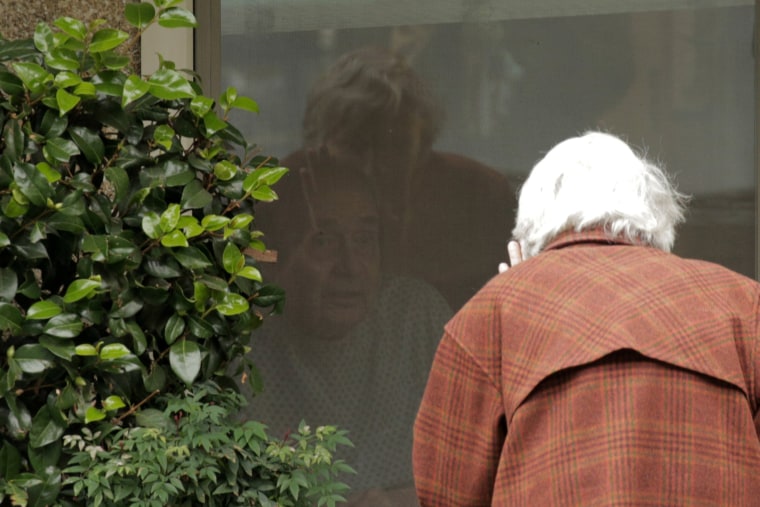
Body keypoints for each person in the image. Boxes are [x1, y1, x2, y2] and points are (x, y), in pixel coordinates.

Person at [412, 131, 760, 505]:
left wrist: (517, 297)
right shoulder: (744, 305)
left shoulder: (491, 316)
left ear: (530, 234)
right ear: (656, 219)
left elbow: (446, 491)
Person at [241, 149, 452, 505]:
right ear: (278, 256)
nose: (350, 266)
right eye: (323, 241)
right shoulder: (245, 341)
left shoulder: (414, 318)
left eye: (364, 240)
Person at [281, 46, 517, 311]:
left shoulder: (479, 195)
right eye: (356, 146)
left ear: (424, 145)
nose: (373, 167)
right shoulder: (290, 186)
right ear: (320, 147)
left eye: (395, 147)